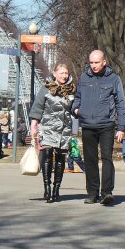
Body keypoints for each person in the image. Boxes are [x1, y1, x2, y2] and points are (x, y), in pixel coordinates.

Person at [71, 50, 125, 205]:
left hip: (106, 124)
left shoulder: (114, 79)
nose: (94, 66)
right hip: (87, 125)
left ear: (104, 62)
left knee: (107, 158)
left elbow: (121, 103)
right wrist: (76, 110)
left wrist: (121, 127)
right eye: (91, 63)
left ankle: (107, 192)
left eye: (97, 62)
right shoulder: (83, 78)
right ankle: (92, 192)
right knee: (90, 160)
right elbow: (77, 98)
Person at [29, 64, 76, 202]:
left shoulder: (71, 90)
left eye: (66, 73)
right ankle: (47, 188)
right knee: (47, 156)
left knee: (61, 159)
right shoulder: (46, 88)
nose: (64, 76)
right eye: (61, 73)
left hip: (64, 128)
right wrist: (34, 124)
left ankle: (56, 189)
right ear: (54, 74)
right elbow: (38, 106)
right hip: (48, 127)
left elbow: (75, 107)